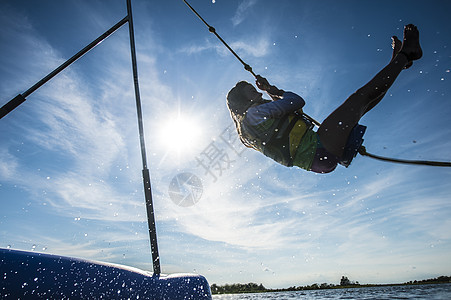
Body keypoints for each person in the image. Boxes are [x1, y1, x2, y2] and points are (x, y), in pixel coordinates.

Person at [226, 24, 423, 174]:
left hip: (318, 159)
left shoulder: (250, 125)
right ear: (242, 100)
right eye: (252, 91)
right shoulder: (254, 113)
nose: (258, 93)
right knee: (360, 98)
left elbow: (287, 111)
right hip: (318, 147)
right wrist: (270, 88)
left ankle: (396, 62)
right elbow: (296, 101)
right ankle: (407, 54)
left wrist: (271, 91)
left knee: (363, 104)